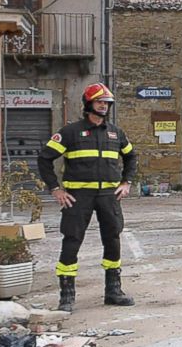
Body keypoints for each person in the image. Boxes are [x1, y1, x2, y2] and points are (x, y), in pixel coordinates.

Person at [37, 82, 137, 311]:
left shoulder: (116, 133)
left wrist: (126, 182)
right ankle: (67, 296)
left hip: (109, 196)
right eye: (99, 102)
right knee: (72, 241)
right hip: (78, 197)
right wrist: (55, 189)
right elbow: (44, 159)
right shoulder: (70, 132)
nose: (103, 106)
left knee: (113, 239)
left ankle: (113, 290)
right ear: (88, 104)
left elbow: (132, 157)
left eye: (106, 103)